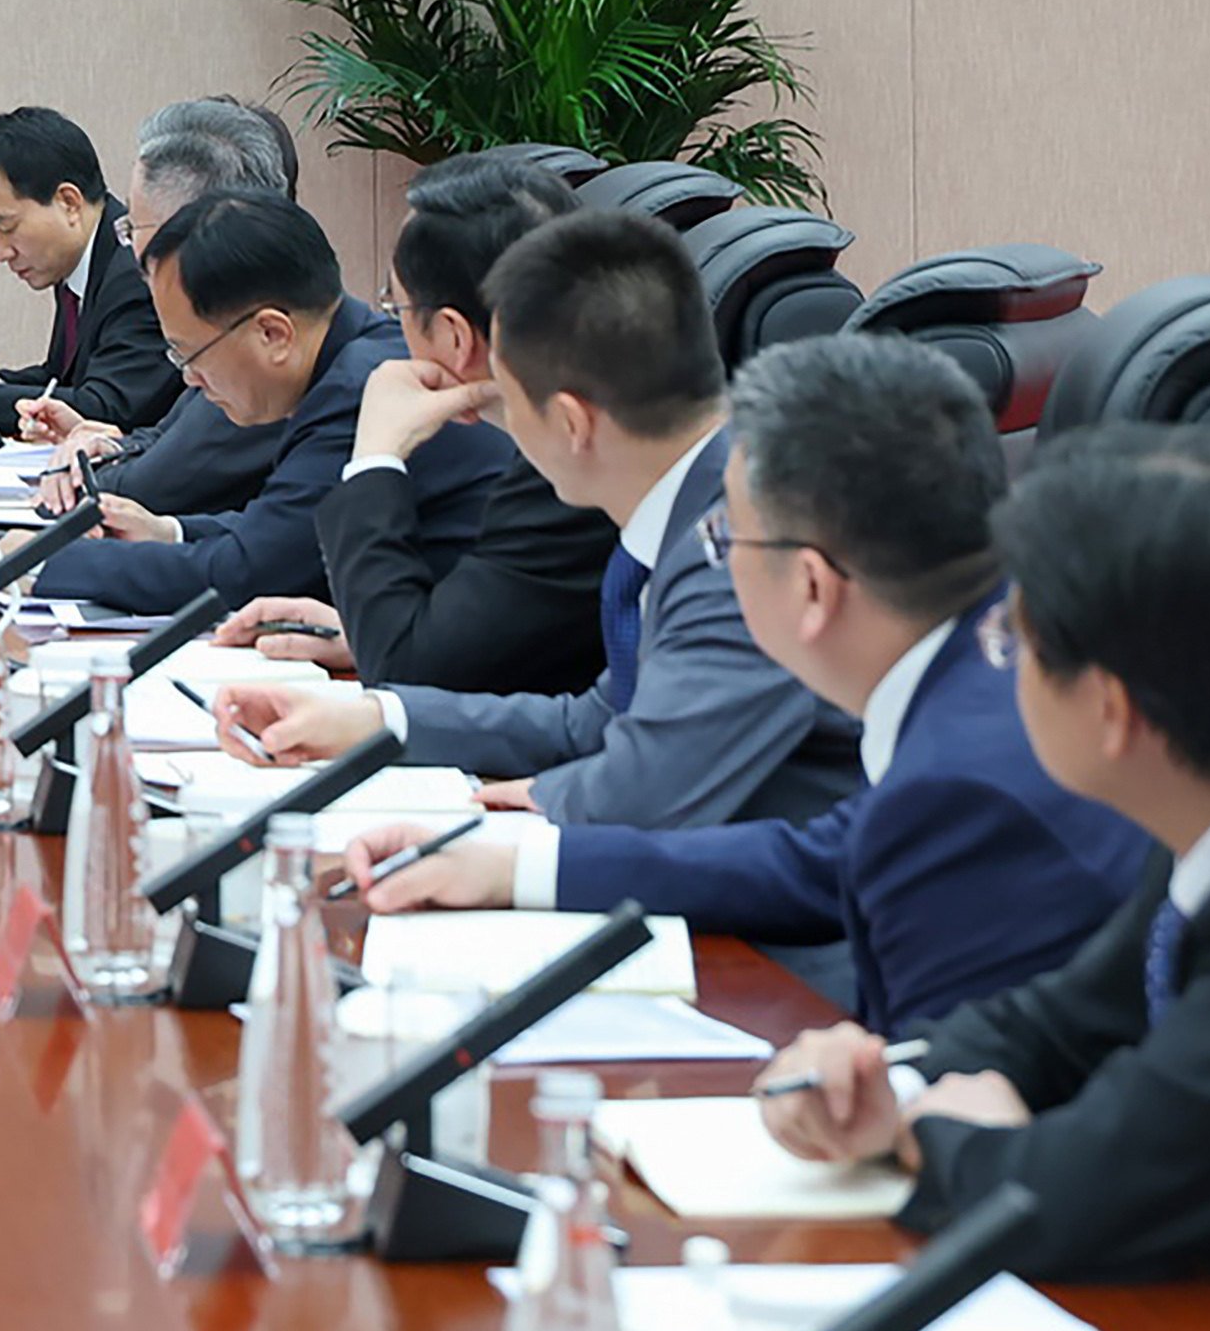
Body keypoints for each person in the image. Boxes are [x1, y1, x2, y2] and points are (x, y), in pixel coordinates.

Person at [346, 335, 1150, 1032]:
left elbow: (950, 1116)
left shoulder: (958, 777)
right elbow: (822, 861)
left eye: (727, 532)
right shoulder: (990, 660)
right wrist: (515, 869)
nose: (713, 554)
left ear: (811, 586)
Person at [756, 424, 1210, 1291]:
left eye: (1014, 645)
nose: (1000, 668)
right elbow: (1054, 1023)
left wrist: (929, 1139)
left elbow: (1080, 1197)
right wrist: (881, 1077)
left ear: (1111, 710)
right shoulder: (1203, 828)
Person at [209, 208, 861, 834]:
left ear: (572, 423)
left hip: (794, 928)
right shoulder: (697, 495)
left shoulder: (741, 539)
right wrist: (379, 716)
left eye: (512, 407)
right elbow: (597, 722)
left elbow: (643, 792)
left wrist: (530, 807)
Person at [214, 152, 612, 697]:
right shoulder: (561, 434)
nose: (391, 332)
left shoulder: (573, 472)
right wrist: (366, 632)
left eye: (395, 308)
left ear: (454, 336)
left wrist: (376, 454)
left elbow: (409, 673)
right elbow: (458, 644)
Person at [38, 191, 501, 619]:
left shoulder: (358, 388)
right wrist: (169, 532)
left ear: (272, 333)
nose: (189, 378)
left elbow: (247, 574)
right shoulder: (351, 357)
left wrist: (40, 561)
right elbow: (289, 527)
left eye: (189, 354)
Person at [21, 98, 295, 514]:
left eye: (133, 226)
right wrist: (113, 443)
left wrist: (74, 475)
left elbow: (158, 483)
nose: (126, 244)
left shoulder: (260, 331)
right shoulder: (231, 308)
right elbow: (173, 435)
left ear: (191, 226)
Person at [0, 107, 172, 439]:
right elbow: (61, 379)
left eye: (6, 227)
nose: (0, 252)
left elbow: (106, 406)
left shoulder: (135, 272)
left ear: (69, 202)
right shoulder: (83, 263)